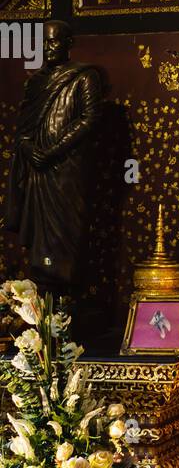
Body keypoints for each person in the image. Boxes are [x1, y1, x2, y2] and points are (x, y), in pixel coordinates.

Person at [5, 20, 102, 293]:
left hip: (67, 170)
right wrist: (31, 151)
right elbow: (22, 130)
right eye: (44, 42)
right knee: (40, 238)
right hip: (39, 171)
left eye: (54, 41)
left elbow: (89, 118)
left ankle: (66, 296)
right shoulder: (35, 82)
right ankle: (43, 292)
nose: (48, 48)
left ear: (69, 43)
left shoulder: (85, 76)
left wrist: (52, 151)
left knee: (67, 233)